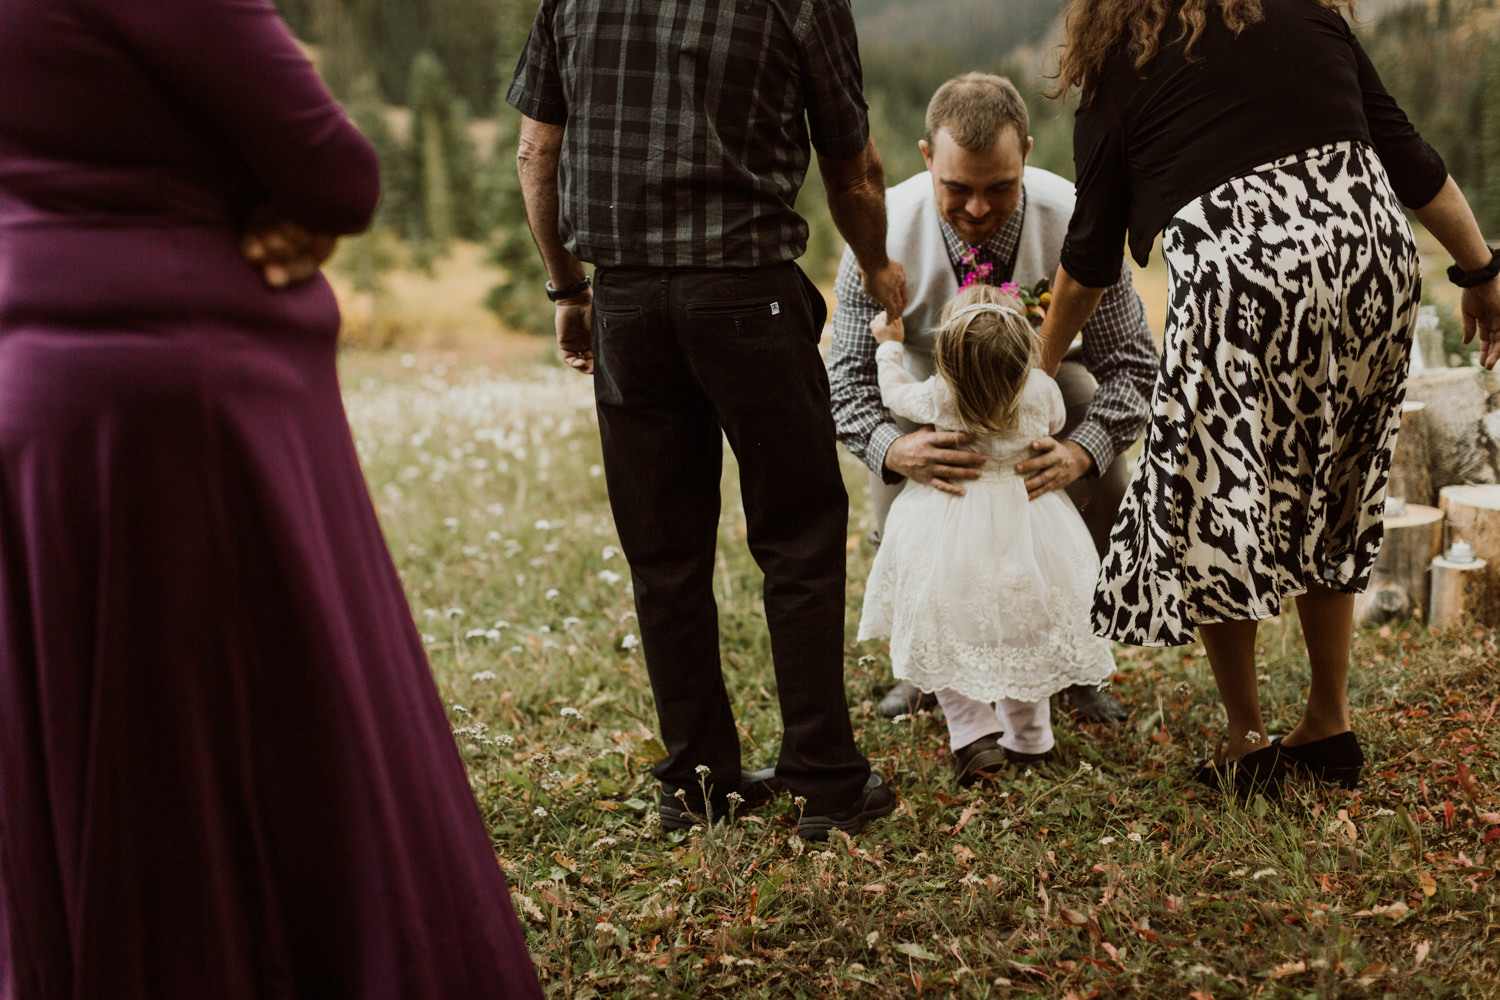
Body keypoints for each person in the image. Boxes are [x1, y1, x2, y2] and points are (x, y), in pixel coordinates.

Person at [0, 1, 544, 996]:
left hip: (42, 398)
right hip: (183, 407)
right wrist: (264, 191)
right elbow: (338, 169)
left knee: (106, 741)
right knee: (253, 731)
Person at [1041, 0, 1500, 795]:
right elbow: (1409, 157)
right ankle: (1329, 723)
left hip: (1241, 282)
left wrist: (1037, 368)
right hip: (1371, 262)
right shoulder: (1313, 18)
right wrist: (1482, 271)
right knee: (1340, 483)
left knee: (1217, 499)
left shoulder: (1122, 63)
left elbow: (1090, 258)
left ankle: (1248, 740)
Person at [507, 0, 906, 841]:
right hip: (746, 293)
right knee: (797, 538)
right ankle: (825, 785)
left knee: (663, 552)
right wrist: (876, 265)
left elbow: (538, 150)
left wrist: (568, 288)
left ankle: (696, 787)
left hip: (624, 300)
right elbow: (855, 167)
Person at [828, 72, 1155, 724]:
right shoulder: (880, 232)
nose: (977, 209)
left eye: (999, 188)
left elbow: (1135, 365)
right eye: (957, 189)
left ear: (1027, 154)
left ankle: (1073, 654)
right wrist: (895, 449)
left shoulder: (1076, 219)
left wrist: (1080, 453)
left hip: (1048, 383)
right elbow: (846, 381)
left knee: (1086, 395)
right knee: (905, 486)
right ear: (927, 159)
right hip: (925, 388)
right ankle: (927, 663)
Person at [857, 285, 1117, 785]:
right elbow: (1057, 422)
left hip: (950, 518)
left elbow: (892, 391)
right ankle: (1031, 740)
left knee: (951, 627)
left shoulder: (940, 390)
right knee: (1027, 629)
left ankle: (973, 733)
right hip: (1030, 522)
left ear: (949, 352)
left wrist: (890, 343)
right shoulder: (1042, 388)